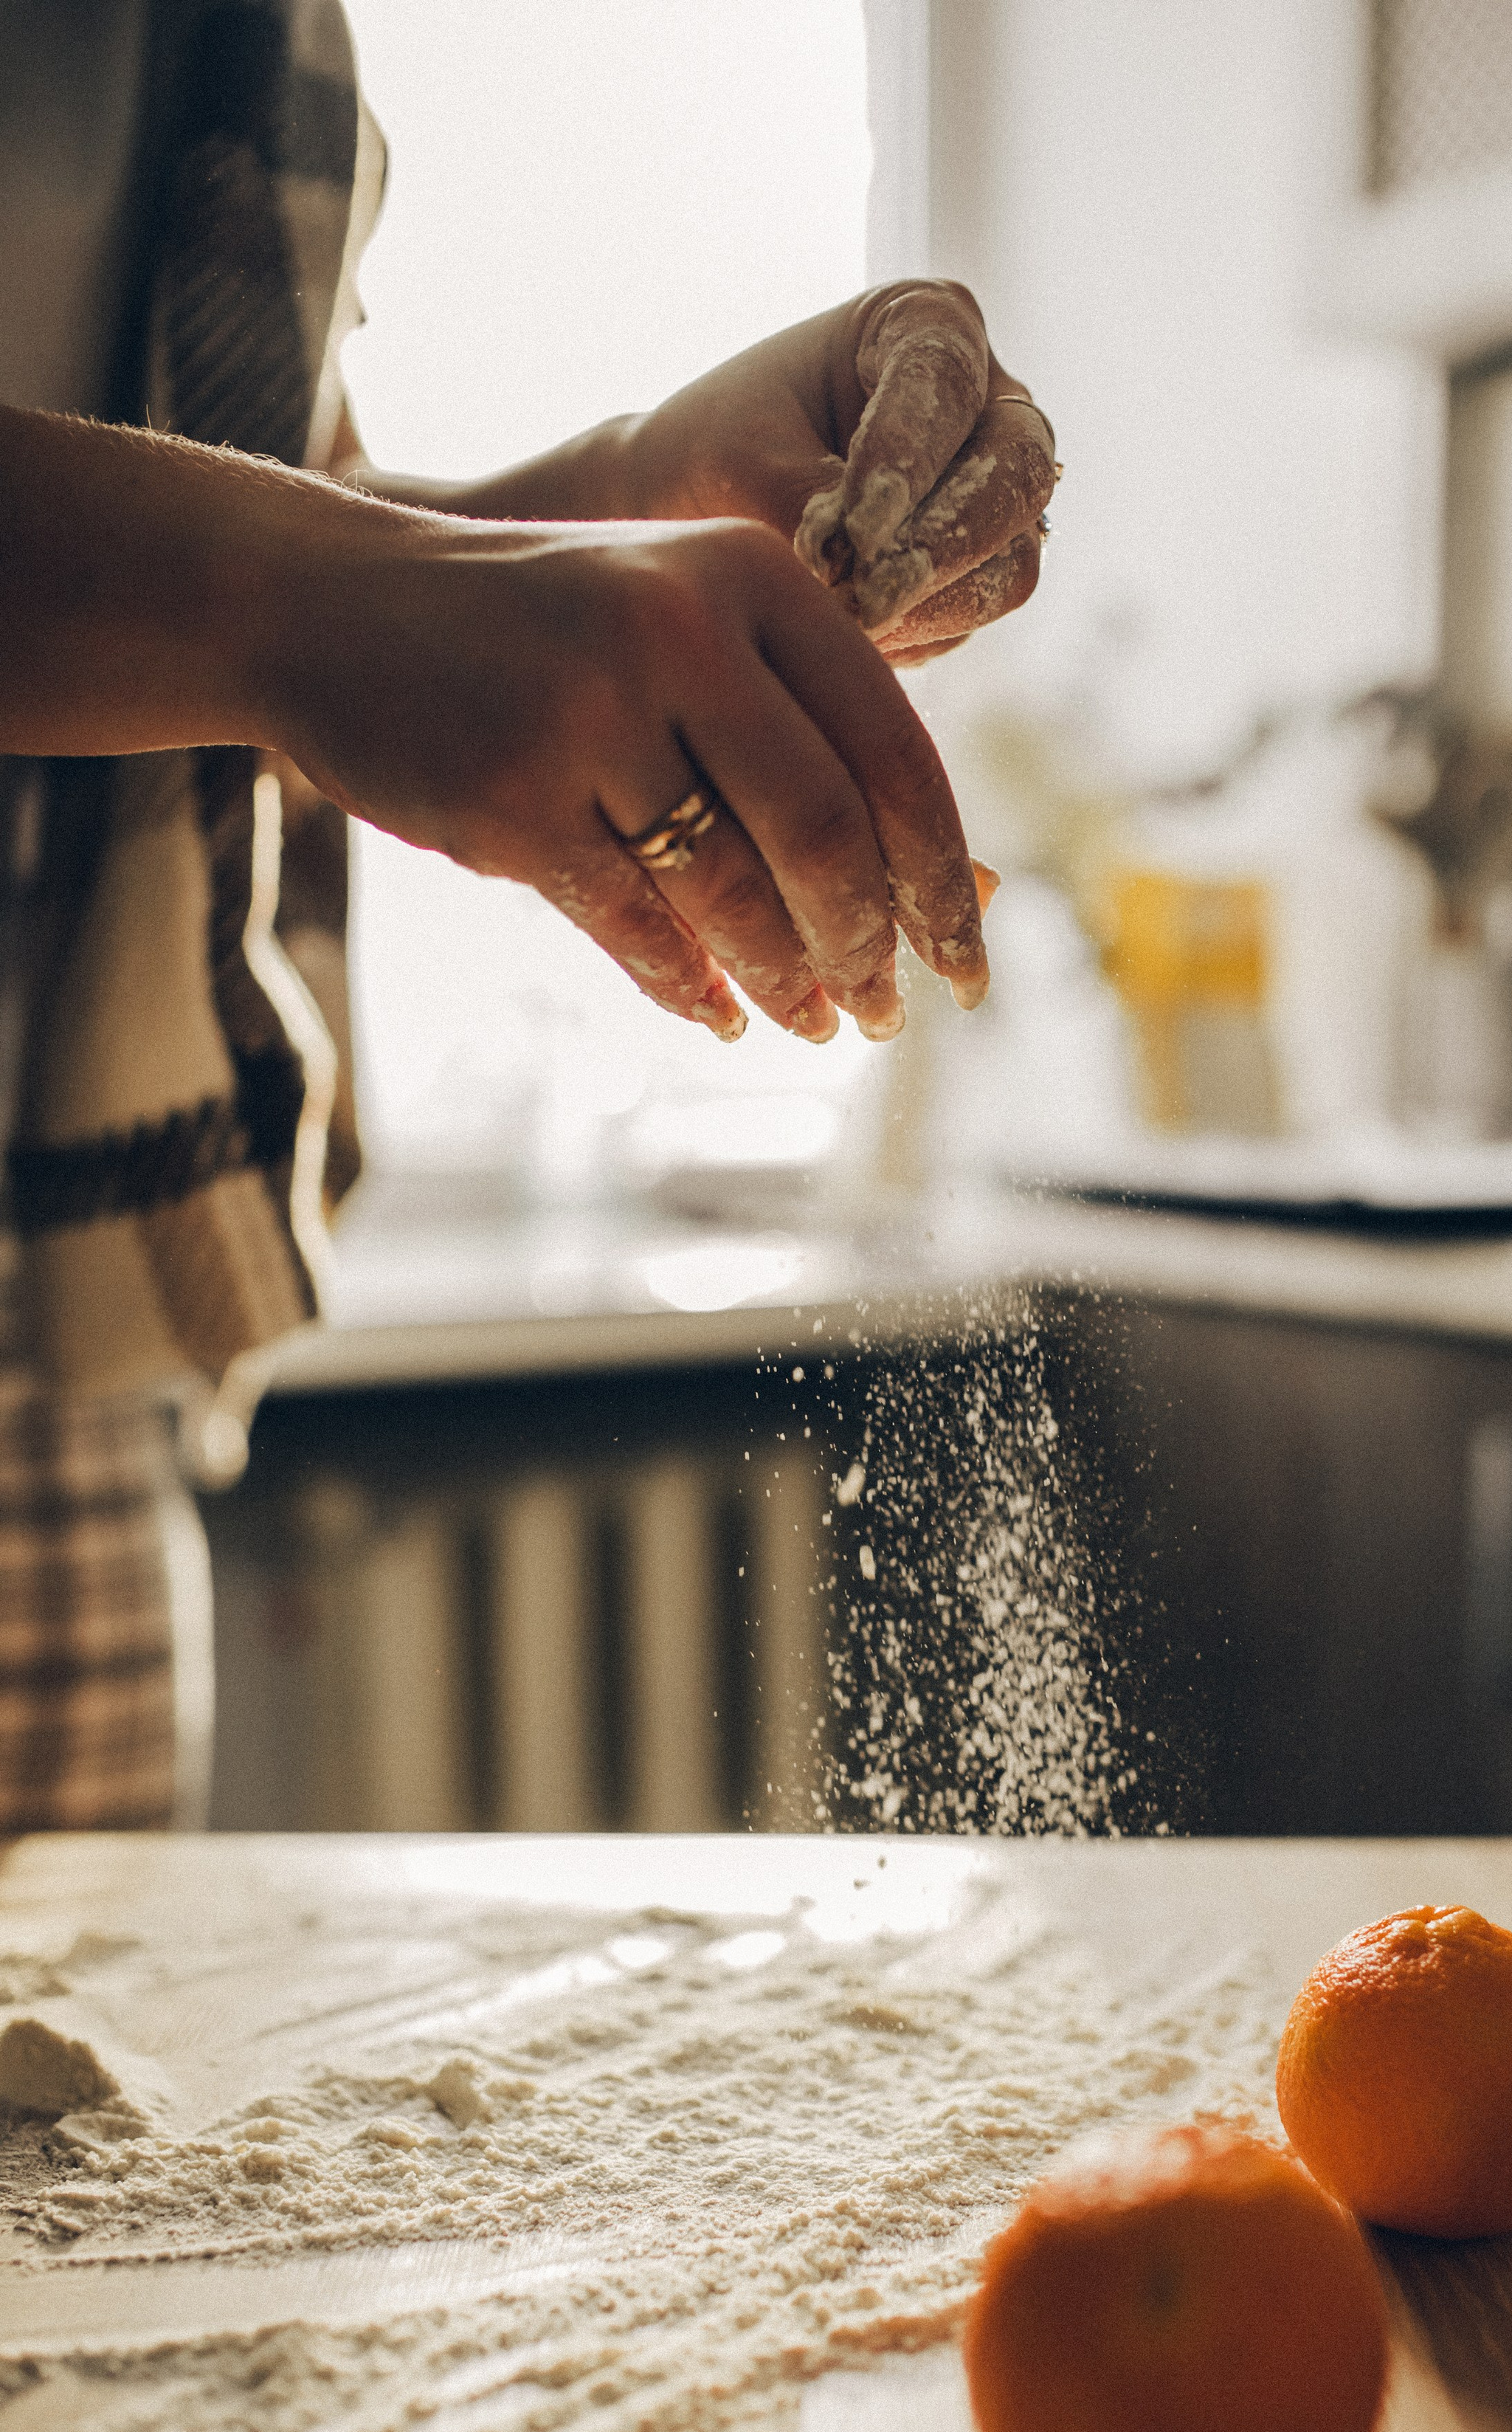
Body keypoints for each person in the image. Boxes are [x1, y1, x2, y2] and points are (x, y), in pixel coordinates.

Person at [0, 0, 1057, 1831]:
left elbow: (204, 575)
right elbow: (279, 595)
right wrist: (317, 604)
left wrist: (617, 488)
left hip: (42, 1299)